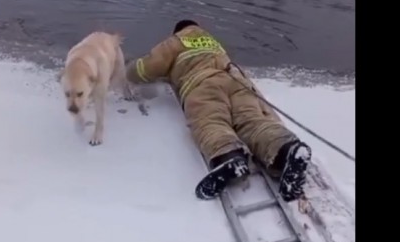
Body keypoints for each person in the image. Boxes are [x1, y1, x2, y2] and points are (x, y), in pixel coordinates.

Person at [125, 19, 312, 201]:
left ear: (178, 31)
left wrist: (125, 70)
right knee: (252, 121)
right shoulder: (214, 43)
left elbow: (147, 68)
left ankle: (230, 157)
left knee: (211, 121)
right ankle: (286, 149)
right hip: (237, 81)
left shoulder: (175, 41)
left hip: (203, 85)